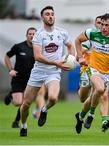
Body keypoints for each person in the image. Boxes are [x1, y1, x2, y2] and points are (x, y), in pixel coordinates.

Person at [19, 6, 75, 137]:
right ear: (42, 17)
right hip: (38, 71)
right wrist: (57, 62)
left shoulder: (62, 32)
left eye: (52, 14)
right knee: (26, 104)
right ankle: (23, 125)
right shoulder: (38, 35)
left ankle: (44, 110)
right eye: (47, 14)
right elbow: (37, 56)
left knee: (53, 98)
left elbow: (70, 46)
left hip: (53, 72)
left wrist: (71, 60)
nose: (50, 16)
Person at [75, 13, 109, 133]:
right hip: (92, 69)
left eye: (106, 25)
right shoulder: (92, 33)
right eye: (102, 24)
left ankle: (81, 116)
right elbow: (77, 40)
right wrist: (79, 57)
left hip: (107, 74)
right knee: (99, 90)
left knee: (95, 97)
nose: (103, 27)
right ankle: (92, 115)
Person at [76, 15, 109, 133]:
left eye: (103, 23)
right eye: (99, 23)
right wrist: (80, 57)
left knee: (103, 95)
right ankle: (81, 116)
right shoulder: (91, 38)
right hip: (87, 70)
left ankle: (102, 120)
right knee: (83, 98)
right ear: (95, 24)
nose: (101, 25)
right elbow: (79, 53)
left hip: (100, 72)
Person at [4, 27, 37, 128]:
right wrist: (10, 70)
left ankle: (16, 122)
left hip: (30, 80)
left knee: (25, 103)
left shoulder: (38, 49)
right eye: (30, 34)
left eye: (34, 34)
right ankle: (11, 95)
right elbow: (7, 56)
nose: (32, 36)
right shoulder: (19, 47)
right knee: (18, 103)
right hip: (18, 79)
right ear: (26, 35)